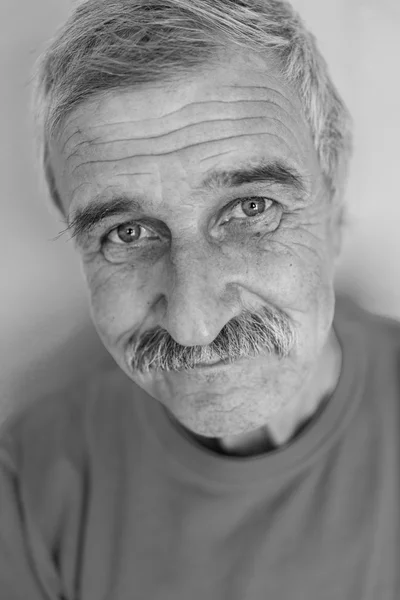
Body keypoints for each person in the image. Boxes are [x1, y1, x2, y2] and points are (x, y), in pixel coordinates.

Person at [1, 0, 399, 597]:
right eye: (126, 233)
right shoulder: (25, 491)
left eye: (251, 209)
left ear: (334, 202)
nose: (194, 324)